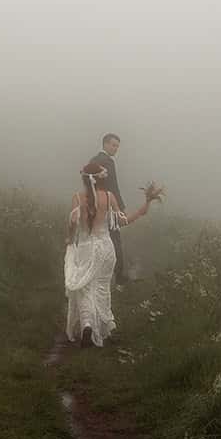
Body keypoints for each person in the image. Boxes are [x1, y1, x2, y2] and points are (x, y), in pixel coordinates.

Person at [64, 161, 161, 347]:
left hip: (85, 248)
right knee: (102, 287)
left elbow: (73, 224)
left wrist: (69, 239)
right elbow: (124, 221)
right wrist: (146, 204)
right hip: (106, 248)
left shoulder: (77, 198)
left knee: (84, 288)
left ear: (84, 179)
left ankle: (87, 325)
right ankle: (108, 325)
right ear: (102, 179)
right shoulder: (109, 197)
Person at [89, 133, 128, 283]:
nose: (116, 148)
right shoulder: (108, 162)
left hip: (95, 205)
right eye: (113, 145)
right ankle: (119, 277)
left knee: (96, 240)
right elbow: (113, 187)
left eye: (117, 146)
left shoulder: (93, 160)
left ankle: (94, 275)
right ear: (105, 144)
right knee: (115, 240)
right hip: (109, 206)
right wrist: (120, 208)